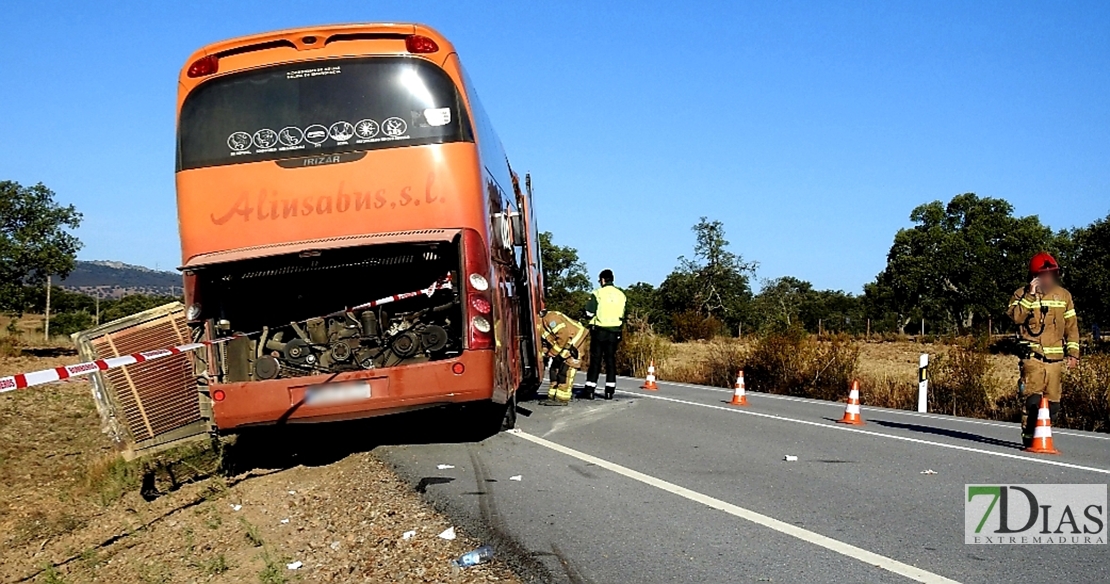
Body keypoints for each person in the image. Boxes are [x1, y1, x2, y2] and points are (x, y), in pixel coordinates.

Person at [1007, 252, 1080, 448]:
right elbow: (1016, 318)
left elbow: (1071, 326)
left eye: (1051, 275)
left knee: (1053, 404)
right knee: (1033, 402)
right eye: (1043, 275)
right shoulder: (1020, 294)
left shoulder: (1064, 296)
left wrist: (1073, 353)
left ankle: (1043, 435)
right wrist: (1030, 295)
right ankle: (1030, 438)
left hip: (1055, 360)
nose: (1048, 279)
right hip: (1033, 358)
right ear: (1034, 276)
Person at [584, 269, 627, 400]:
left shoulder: (598, 293)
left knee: (595, 361)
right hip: (614, 332)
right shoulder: (621, 295)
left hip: (599, 330)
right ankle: (609, 391)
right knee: (610, 361)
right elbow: (624, 314)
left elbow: (589, 313)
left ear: (602, 280)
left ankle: (590, 390)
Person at [537, 309, 589, 405]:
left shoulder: (551, 319)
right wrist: (545, 354)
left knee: (567, 367)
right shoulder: (541, 325)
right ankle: (553, 395)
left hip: (574, 340)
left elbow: (563, 335)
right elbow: (546, 341)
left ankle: (562, 398)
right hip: (564, 343)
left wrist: (553, 353)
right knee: (555, 368)